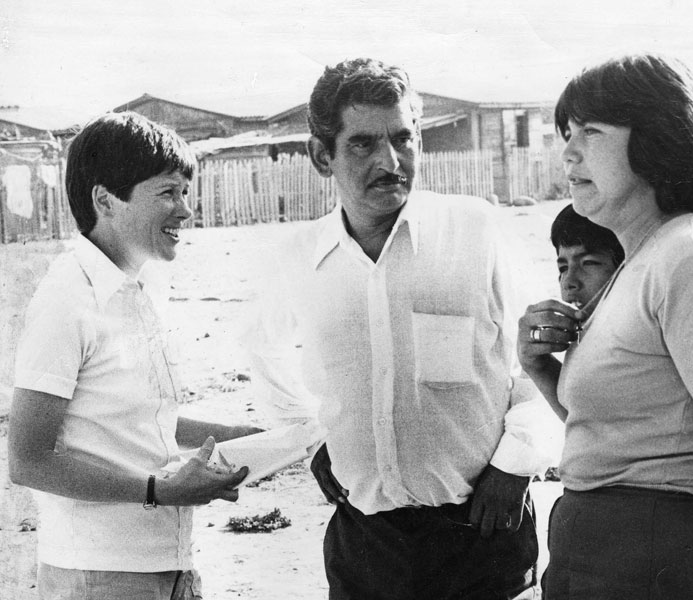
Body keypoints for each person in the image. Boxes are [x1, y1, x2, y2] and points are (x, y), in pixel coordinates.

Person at [245, 58, 539, 599]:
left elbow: (540, 358)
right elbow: (262, 350)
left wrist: (516, 463)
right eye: (362, 144)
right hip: (366, 542)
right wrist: (313, 439)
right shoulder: (299, 259)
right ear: (320, 155)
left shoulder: (475, 232)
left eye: (403, 138)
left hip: (483, 529)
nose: (390, 161)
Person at [517, 54, 693, 600]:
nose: (568, 152)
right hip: (600, 555)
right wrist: (539, 369)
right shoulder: (639, 264)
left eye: (590, 132)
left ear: (658, 139)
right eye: (567, 133)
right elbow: (625, 431)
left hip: (661, 562)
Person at [8, 112, 260, 600]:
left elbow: (135, 418)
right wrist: (157, 491)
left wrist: (232, 437)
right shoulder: (67, 298)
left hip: (170, 566)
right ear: (105, 200)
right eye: (168, 193)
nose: (186, 210)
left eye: (186, 193)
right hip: (98, 576)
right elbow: (28, 460)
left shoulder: (141, 287)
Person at [533, 203, 623, 422]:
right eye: (563, 268)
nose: (569, 281)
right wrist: (538, 365)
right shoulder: (588, 333)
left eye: (588, 262)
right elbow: (586, 427)